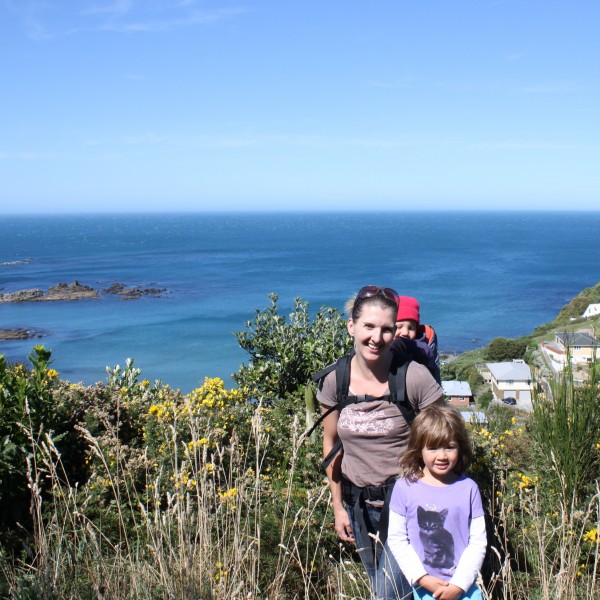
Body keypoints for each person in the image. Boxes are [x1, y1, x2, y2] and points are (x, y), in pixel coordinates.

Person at [317, 285, 444, 599]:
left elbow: (445, 440)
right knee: (387, 590)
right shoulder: (336, 381)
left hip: (409, 507)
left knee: (385, 595)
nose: (377, 337)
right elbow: (331, 444)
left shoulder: (413, 378)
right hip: (359, 507)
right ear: (351, 326)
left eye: (387, 329)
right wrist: (338, 507)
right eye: (369, 327)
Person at [388, 405, 487, 600]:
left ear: (460, 447)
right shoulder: (404, 488)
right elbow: (397, 539)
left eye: (449, 447)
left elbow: (477, 542)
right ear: (419, 449)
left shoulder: (469, 489)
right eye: (432, 448)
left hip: (465, 590)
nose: (442, 456)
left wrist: (458, 585)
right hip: (424, 590)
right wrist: (422, 578)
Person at [392, 296, 440, 384]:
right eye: (398, 327)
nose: (405, 332)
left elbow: (426, 355)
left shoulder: (420, 347)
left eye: (411, 328)